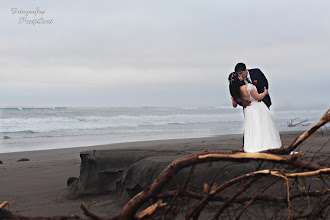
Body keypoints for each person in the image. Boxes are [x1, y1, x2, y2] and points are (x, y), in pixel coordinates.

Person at [228, 71, 282, 153]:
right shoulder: (248, 87)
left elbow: (234, 105)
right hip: (257, 107)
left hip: (248, 110)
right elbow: (258, 97)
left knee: (252, 127)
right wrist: (265, 93)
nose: (241, 77)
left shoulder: (235, 92)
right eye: (239, 76)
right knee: (263, 126)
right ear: (238, 78)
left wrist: (241, 102)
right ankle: (265, 145)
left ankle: (253, 145)